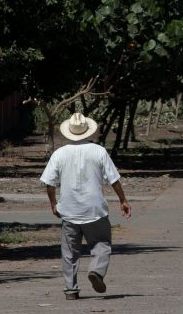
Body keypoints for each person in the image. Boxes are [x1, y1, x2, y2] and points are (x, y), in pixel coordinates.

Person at [40, 112, 132, 300]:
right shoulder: (99, 151)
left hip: (69, 211)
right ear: (88, 131)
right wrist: (123, 200)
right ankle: (96, 271)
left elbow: (49, 183)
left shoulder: (59, 154)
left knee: (69, 253)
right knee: (102, 244)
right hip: (95, 210)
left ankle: (71, 290)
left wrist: (53, 204)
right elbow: (113, 179)